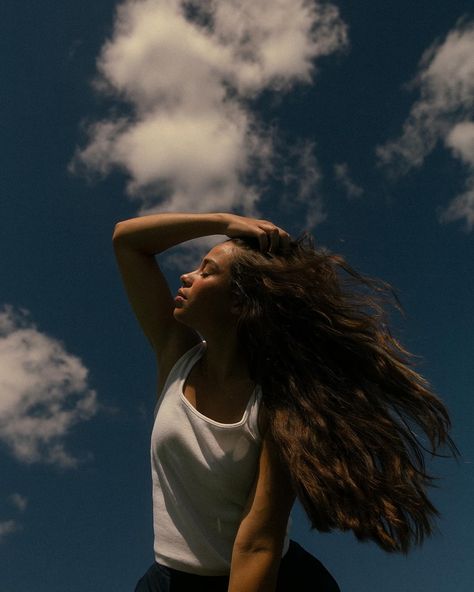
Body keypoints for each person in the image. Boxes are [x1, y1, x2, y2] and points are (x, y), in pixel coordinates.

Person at [112, 212, 457, 592]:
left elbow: (258, 541)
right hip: (169, 580)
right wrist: (224, 221)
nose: (187, 276)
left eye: (207, 271)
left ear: (240, 303)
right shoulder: (177, 354)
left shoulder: (281, 404)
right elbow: (128, 241)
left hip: (272, 577)